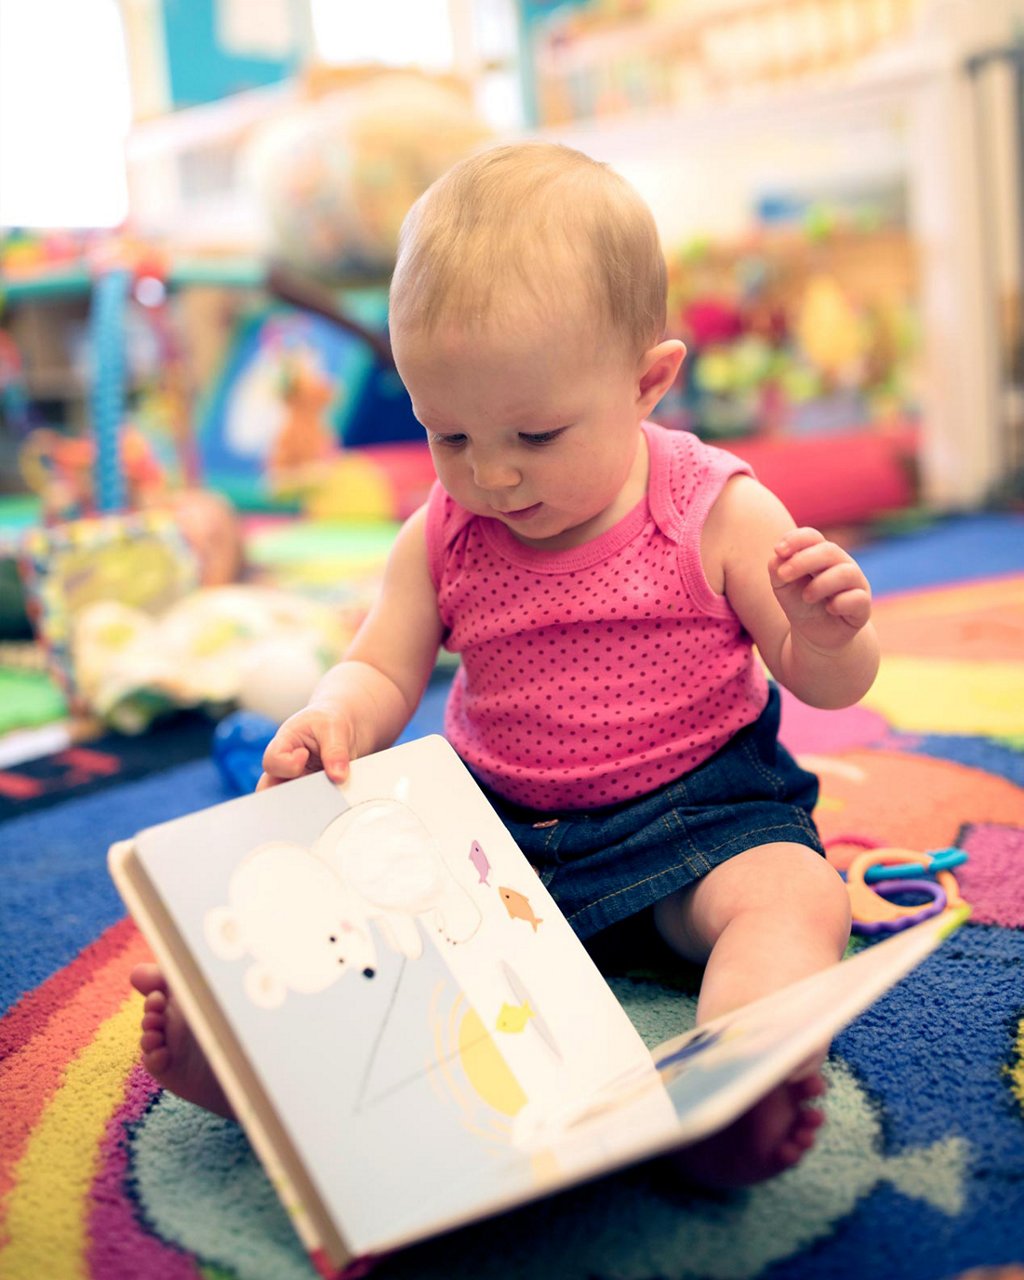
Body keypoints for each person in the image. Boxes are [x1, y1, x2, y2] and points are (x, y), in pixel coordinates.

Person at [132, 142, 878, 1187]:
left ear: (646, 382)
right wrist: (335, 714)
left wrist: (830, 633)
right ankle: (252, 1070)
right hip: (488, 838)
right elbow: (381, 669)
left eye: (534, 432)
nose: (489, 473)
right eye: (448, 434)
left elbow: (825, 679)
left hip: (699, 818)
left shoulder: (714, 506)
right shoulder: (442, 533)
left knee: (795, 895)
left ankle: (737, 1082)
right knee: (351, 912)